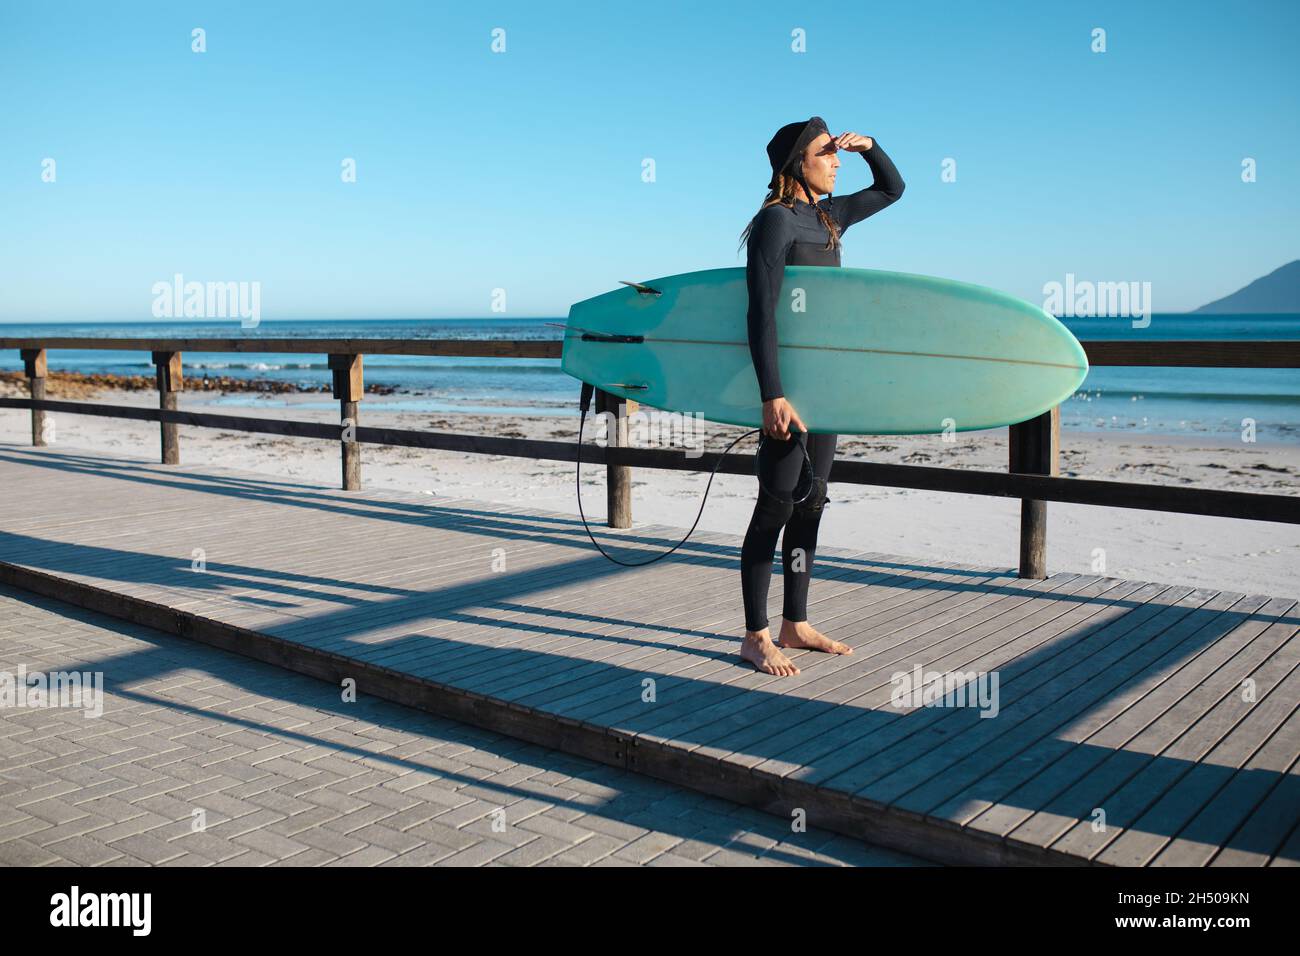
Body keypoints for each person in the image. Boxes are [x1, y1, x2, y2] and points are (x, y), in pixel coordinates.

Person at [736, 116, 906, 676]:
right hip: (790, 394)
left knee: (812, 502)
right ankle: (756, 635)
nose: (835, 162)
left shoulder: (829, 218)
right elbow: (761, 314)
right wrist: (772, 395)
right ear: (797, 165)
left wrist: (869, 146)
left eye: (836, 153)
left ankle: (795, 622)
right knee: (775, 506)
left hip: (825, 391)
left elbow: (891, 189)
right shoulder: (775, 223)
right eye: (826, 153)